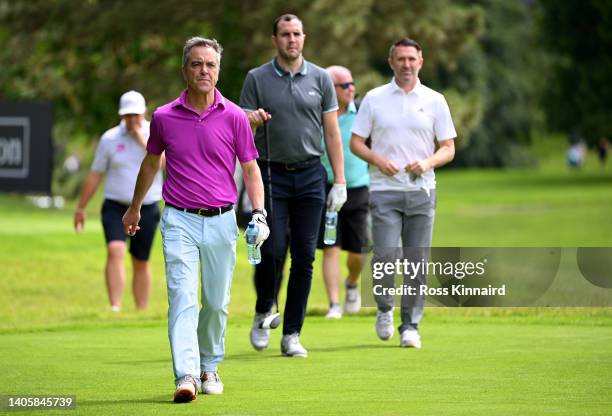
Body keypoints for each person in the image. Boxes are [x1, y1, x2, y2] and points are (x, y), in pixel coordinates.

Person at [122, 37, 269, 403]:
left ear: (218, 71)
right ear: (184, 69)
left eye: (210, 65)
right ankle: (186, 375)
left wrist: (259, 212)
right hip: (178, 220)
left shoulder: (235, 115)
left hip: (222, 221)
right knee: (183, 297)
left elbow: (250, 169)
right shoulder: (164, 116)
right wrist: (135, 206)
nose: (204, 70)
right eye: (197, 64)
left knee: (216, 302)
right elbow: (151, 163)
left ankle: (210, 366)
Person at [240, 13, 347, 357]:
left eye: (297, 34)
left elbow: (331, 132)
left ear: (304, 37)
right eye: (285, 34)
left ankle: (291, 334)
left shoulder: (320, 78)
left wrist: (340, 180)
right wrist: (252, 121)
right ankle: (263, 308)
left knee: (304, 256)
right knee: (272, 251)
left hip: (311, 174)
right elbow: (241, 130)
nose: (292, 39)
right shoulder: (256, 78)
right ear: (275, 39)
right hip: (270, 174)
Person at [350, 38, 456, 348]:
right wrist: (378, 160)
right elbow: (357, 141)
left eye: (412, 58)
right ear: (391, 62)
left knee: (416, 261)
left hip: (422, 191)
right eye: (401, 59)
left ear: (420, 62)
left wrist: (427, 162)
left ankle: (410, 325)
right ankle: (384, 308)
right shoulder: (374, 98)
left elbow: (448, 148)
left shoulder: (435, 100)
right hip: (384, 190)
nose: (406, 64)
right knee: (384, 255)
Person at [74, 90, 162, 312]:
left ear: (143, 112)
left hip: (147, 206)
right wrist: (81, 207)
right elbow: (96, 173)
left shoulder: (155, 131)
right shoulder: (110, 138)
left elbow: (164, 165)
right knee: (115, 250)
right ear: (121, 115)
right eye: (127, 115)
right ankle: (115, 306)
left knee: (140, 260)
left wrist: (140, 138)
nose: (132, 119)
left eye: (135, 114)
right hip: (115, 205)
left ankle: (141, 310)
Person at [317, 65, 369, 319]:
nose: (351, 89)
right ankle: (334, 304)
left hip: (358, 188)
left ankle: (351, 283)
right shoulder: (317, 115)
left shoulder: (361, 113)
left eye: (352, 83)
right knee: (331, 247)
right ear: (330, 89)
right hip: (325, 189)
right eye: (344, 85)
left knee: (358, 251)